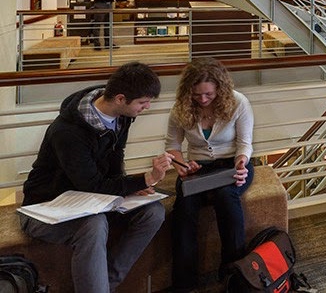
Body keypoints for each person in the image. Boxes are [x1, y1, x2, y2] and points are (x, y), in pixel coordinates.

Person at [19, 62, 172, 293]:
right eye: (143, 102)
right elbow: (92, 184)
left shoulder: (121, 115)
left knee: (153, 212)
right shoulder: (67, 132)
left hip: (93, 202)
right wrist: (147, 178)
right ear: (121, 98)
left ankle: (105, 285)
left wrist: (127, 187)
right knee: (94, 225)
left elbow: (114, 158)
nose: (147, 107)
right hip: (45, 207)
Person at [166, 57, 255, 292]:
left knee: (227, 197)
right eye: (197, 95)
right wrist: (181, 165)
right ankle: (184, 284)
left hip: (232, 163)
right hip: (198, 166)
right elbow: (172, 145)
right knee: (184, 209)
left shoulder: (238, 103)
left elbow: (245, 144)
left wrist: (241, 163)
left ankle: (233, 276)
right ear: (188, 91)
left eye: (209, 95)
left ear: (220, 89)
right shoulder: (180, 107)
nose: (203, 100)